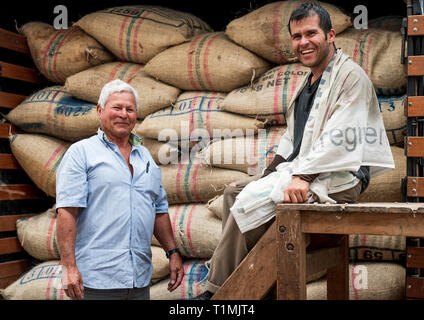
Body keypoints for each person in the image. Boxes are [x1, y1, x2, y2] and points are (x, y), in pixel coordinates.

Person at [195, 2, 394, 300]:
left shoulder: (350, 77)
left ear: (330, 35)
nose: (303, 42)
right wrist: (268, 173)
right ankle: (240, 283)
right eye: (297, 36)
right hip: (306, 171)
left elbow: (341, 136)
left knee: (248, 204)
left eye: (311, 33)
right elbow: (292, 139)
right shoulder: (307, 83)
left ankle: (218, 294)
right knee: (235, 193)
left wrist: (302, 175)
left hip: (340, 176)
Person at [56, 79, 183, 300]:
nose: (124, 114)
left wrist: (172, 252)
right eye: (117, 107)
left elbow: (159, 210)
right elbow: (67, 211)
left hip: (139, 279)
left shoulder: (146, 158)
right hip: (96, 280)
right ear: (100, 110)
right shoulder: (82, 153)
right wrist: (68, 266)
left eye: (130, 109)